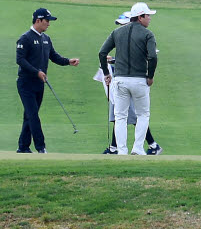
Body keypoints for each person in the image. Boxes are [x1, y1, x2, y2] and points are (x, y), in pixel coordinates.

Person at [94, 13, 162, 155]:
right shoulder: (147, 34)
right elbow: (152, 56)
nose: (149, 18)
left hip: (120, 80)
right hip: (139, 80)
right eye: (147, 16)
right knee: (143, 114)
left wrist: (106, 73)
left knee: (120, 116)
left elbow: (102, 52)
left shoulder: (117, 33)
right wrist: (150, 76)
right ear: (140, 17)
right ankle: (138, 148)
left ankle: (121, 151)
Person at [15, 8, 80, 153]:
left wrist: (69, 61)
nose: (49, 24)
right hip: (26, 83)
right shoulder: (25, 38)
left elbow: (54, 56)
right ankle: (41, 147)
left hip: (40, 84)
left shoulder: (46, 39)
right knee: (33, 115)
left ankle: (23, 147)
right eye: (47, 21)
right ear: (38, 20)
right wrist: (36, 71)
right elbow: (20, 60)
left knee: (29, 115)